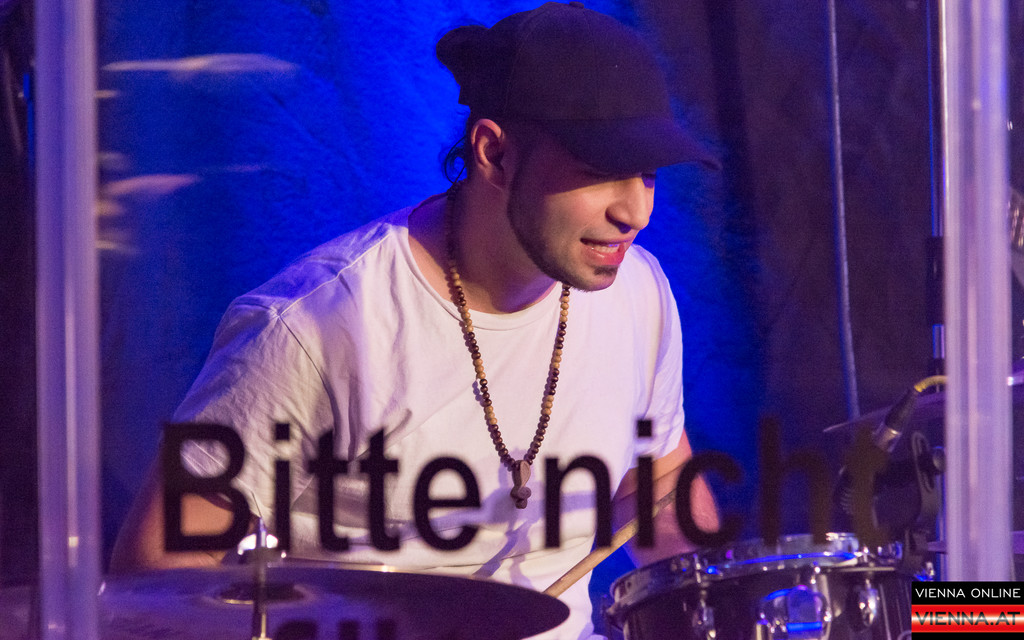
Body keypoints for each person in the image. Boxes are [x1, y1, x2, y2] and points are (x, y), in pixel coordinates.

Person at [111, 2, 720, 638]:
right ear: (494, 153)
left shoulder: (639, 291)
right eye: (599, 174)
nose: (635, 212)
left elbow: (658, 483)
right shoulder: (315, 327)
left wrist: (713, 602)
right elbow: (157, 575)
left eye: (648, 175)